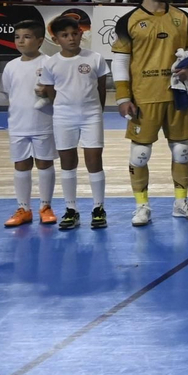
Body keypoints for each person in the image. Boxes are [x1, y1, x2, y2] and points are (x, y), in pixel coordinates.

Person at [111, 0, 188, 227]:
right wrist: (122, 97)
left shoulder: (182, 17)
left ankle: (181, 203)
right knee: (139, 154)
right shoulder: (128, 20)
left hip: (177, 95)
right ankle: (141, 206)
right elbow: (120, 61)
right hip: (144, 97)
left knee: (182, 151)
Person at [46, 15, 112, 230]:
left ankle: (98, 207)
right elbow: (51, 92)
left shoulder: (95, 58)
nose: (71, 38)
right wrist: (63, 109)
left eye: (74, 34)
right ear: (56, 39)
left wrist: (97, 111)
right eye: (65, 35)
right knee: (67, 162)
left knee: (94, 160)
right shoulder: (51, 63)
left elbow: (101, 88)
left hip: (91, 115)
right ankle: (71, 209)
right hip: (63, 117)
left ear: (81, 34)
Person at [0, 21, 58, 228]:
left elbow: (60, 92)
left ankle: (45, 207)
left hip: (44, 123)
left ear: (40, 40)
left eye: (27, 37)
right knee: (21, 164)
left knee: (44, 163)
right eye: (17, 37)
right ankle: (23, 208)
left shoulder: (50, 63)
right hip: (18, 124)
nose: (21, 41)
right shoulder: (10, 66)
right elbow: (6, 94)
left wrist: (49, 93)